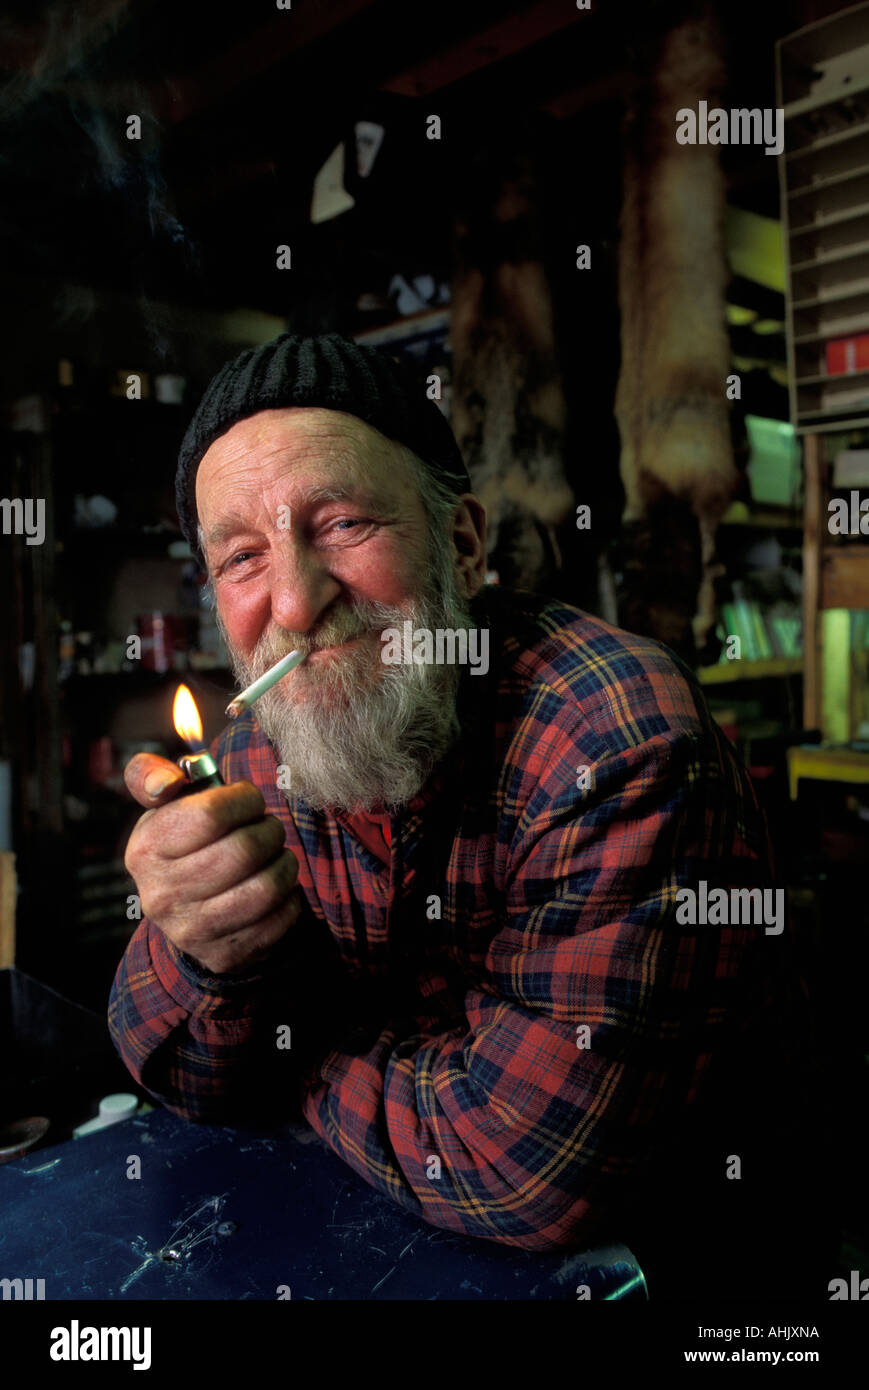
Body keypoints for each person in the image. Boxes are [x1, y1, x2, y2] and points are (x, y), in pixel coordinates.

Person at [109, 333, 831, 1298]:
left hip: (695, 1273)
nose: (293, 599)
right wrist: (204, 951)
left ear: (462, 544)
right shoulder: (250, 753)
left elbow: (525, 1175)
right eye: (242, 556)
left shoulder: (612, 736)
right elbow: (171, 1070)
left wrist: (292, 1038)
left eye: (343, 524)